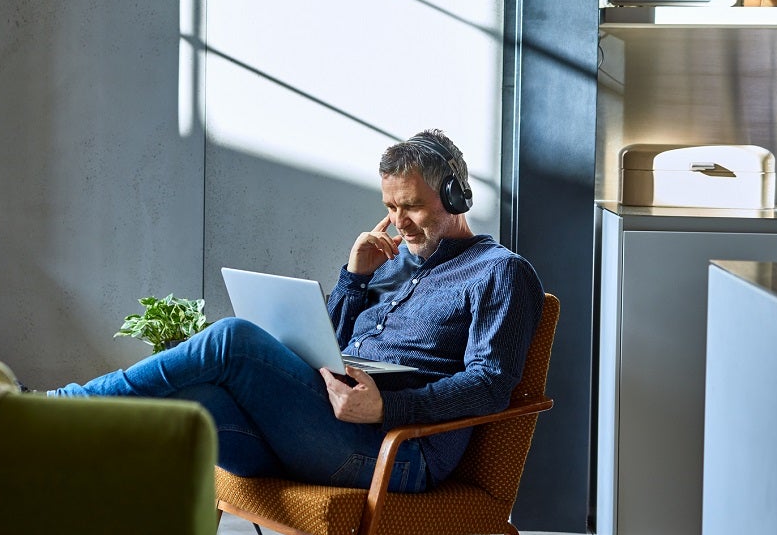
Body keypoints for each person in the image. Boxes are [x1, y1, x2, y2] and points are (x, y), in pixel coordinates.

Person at [49, 130, 543, 493]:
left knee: (232, 340)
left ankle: (60, 408)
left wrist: (388, 407)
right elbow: (322, 345)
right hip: (324, 426)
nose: (399, 223)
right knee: (195, 398)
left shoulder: (499, 272)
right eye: (390, 207)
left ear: (455, 195)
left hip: (398, 452)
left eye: (411, 206)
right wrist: (354, 277)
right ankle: (56, 457)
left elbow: (490, 384)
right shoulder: (388, 262)